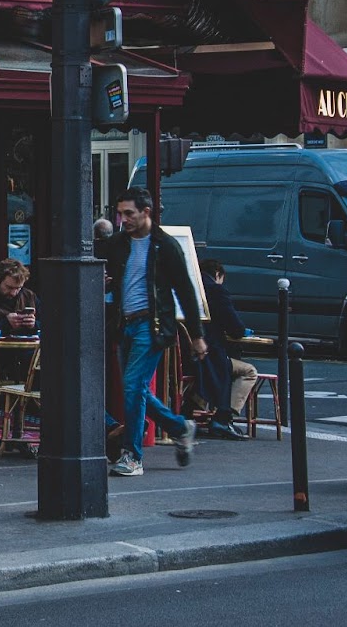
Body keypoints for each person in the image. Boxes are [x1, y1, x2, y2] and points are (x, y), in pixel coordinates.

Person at [106, 187, 207, 478]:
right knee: (134, 389)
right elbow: (112, 281)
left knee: (133, 388)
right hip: (124, 324)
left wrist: (197, 335)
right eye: (121, 213)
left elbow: (186, 291)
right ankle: (179, 427)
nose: (124, 219)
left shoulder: (165, 246)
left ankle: (132, 456)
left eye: (130, 214)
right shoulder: (117, 244)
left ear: (146, 212)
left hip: (152, 327)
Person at [192, 258, 256, 439]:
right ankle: (224, 417)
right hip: (210, 355)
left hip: (188, 357)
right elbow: (236, 329)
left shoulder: (192, 288)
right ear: (218, 274)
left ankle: (197, 410)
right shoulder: (216, 291)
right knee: (249, 371)